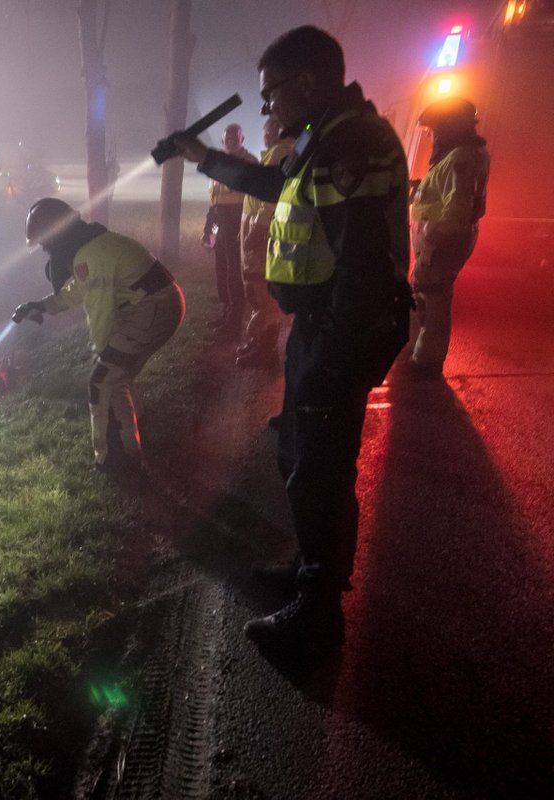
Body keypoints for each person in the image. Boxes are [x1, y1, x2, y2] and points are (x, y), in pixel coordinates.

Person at [169, 26, 412, 648]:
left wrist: (330, 354)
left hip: (340, 331)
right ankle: (311, 568)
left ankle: (318, 612)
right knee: (299, 455)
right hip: (321, 325)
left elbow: (363, 266)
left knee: (320, 467)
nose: (266, 108)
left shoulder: (351, 143)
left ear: (305, 83)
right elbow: (280, 185)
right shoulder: (325, 135)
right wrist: (205, 159)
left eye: (270, 93)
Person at [13, 197, 185, 480]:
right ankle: (136, 429)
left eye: (44, 242)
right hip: (156, 304)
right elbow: (76, 292)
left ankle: (117, 460)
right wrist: (41, 306)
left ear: (56, 234)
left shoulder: (88, 256)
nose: (44, 249)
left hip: (152, 309)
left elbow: (100, 313)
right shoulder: (90, 246)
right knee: (115, 376)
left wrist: (101, 355)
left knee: (102, 381)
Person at [407, 97, 489, 377]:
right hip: (436, 241)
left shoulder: (461, 157)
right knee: (425, 296)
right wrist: (422, 188)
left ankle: (426, 362)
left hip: (440, 241)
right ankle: (418, 353)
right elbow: (447, 192)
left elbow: (458, 204)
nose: (432, 136)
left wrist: (436, 244)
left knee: (433, 301)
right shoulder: (458, 154)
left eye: (435, 129)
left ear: (450, 126)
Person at [235, 118, 296, 368]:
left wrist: (257, 229)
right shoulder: (277, 153)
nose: (265, 136)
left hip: (262, 235)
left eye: (267, 131)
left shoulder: (279, 154)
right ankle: (259, 343)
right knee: (256, 290)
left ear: (273, 132)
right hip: (258, 231)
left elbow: (270, 198)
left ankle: (264, 350)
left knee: (261, 294)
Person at [203, 124, 258, 334]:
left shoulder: (249, 162)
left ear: (242, 140)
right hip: (220, 219)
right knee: (222, 267)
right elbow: (214, 198)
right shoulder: (219, 163)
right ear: (222, 141)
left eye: (235, 139)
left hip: (237, 220)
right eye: (227, 139)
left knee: (234, 269)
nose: (231, 142)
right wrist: (208, 227)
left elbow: (255, 196)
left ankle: (235, 317)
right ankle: (226, 309)